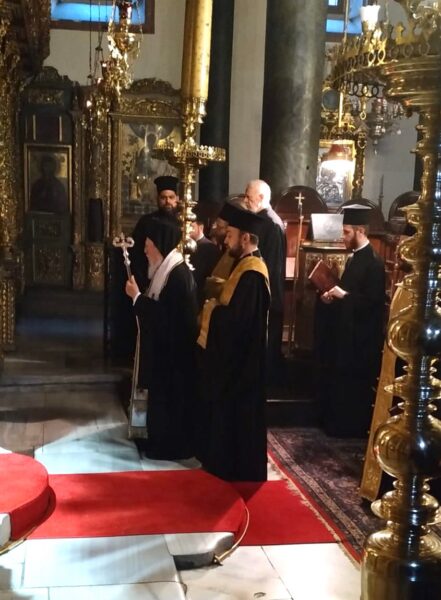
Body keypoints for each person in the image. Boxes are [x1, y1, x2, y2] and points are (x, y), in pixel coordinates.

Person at [197, 201, 270, 481]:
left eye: (230, 235)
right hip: (238, 358)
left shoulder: (252, 273)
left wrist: (212, 310)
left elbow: (238, 323)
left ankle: (234, 466)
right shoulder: (242, 267)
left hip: (243, 362)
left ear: (246, 238)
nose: (226, 241)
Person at [125, 217, 198, 460]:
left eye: (148, 245)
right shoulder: (166, 270)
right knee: (161, 400)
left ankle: (168, 447)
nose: (145, 251)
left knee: (170, 402)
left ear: (159, 246)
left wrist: (137, 298)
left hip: (174, 355)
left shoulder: (177, 275)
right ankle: (157, 440)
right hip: (167, 352)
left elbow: (167, 318)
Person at [314, 204, 386, 438]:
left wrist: (344, 296)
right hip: (347, 335)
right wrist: (329, 297)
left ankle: (349, 429)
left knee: (353, 388)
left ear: (360, 231)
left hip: (360, 341)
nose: (342, 237)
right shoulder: (355, 259)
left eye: (346, 232)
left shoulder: (374, 263)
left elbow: (372, 303)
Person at [244, 179, 286, 381]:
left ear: (260, 197)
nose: (245, 201)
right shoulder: (262, 220)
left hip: (268, 293)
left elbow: (272, 265)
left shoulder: (271, 224)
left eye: (248, 197)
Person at [130, 175, 180, 293]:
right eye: (163, 198)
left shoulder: (182, 223)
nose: (167, 201)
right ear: (157, 199)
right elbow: (136, 253)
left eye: (171, 197)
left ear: (177, 198)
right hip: (148, 281)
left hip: (175, 280)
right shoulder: (146, 222)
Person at [189, 205, 222, 308]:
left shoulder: (210, 249)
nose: (187, 229)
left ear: (201, 227)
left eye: (191, 226)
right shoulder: (182, 245)